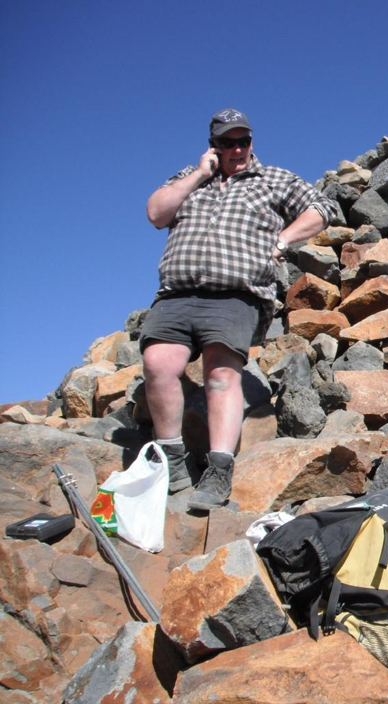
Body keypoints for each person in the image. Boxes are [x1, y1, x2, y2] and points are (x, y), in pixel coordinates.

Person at [140, 108, 338, 511]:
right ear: (213, 146)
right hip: (177, 293)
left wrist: (283, 241)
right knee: (158, 364)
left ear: (252, 141)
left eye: (243, 140)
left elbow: (324, 206)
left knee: (220, 374)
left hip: (236, 293)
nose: (237, 149)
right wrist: (198, 175)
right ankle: (172, 462)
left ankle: (218, 470)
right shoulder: (188, 179)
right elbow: (156, 214)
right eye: (227, 142)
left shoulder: (274, 179)